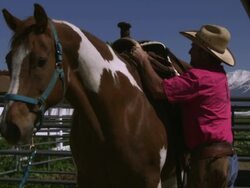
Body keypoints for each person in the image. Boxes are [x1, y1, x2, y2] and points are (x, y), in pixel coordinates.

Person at [131, 24, 238, 188]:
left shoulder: (199, 78)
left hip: (209, 163)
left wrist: (143, 59)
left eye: (193, 47)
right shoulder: (219, 75)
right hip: (227, 159)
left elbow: (158, 89)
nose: (189, 52)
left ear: (203, 52)